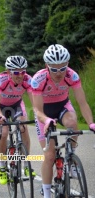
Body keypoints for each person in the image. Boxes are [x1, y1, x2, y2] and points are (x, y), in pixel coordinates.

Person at [31, 44, 95, 198]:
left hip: (62, 106)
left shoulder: (72, 76)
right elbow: (37, 110)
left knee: (72, 122)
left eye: (63, 68)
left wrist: (91, 123)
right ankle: (46, 193)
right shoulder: (38, 79)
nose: (59, 73)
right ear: (47, 66)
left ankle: (71, 158)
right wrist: (46, 120)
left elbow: (82, 103)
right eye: (54, 69)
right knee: (50, 155)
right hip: (44, 113)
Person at [0, 55, 36, 185]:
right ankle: (2, 166)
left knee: (23, 127)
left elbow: (35, 101)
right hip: (0, 107)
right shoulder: (1, 80)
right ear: (8, 72)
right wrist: (0, 116)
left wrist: (39, 114)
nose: (20, 75)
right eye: (16, 72)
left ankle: (26, 165)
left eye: (23, 71)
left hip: (16, 105)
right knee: (4, 132)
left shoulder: (28, 79)